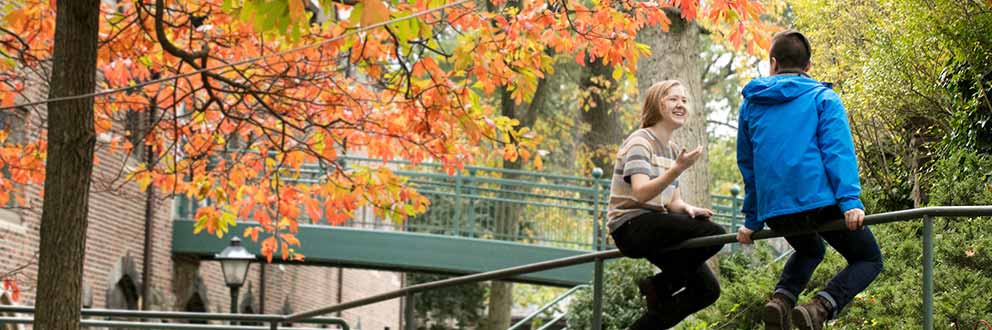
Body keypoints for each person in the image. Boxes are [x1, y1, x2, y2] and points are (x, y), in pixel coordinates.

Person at [735, 30, 884, 330]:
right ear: (809, 66)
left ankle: (781, 301)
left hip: (776, 210)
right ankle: (821, 306)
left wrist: (752, 219)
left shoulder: (750, 105)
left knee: (811, 249)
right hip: (819, 203)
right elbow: (837, 152)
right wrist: (850, 202)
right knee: (869, 259)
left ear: (773, 63)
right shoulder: (823, 97)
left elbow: (748, 166)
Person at [607, 80, 725, 329]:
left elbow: (673, 203)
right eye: (673, 99)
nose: (680, 104)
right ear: (656, 104)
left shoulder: (671, 150)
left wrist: (689, 209)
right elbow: (640, 194)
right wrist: (677, 170)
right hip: (631, 226)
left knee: (707, 289)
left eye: (683, 100)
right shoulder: (641, 142)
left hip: (656, 228)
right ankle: (660, 284)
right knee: (715, 234)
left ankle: (655, 293)